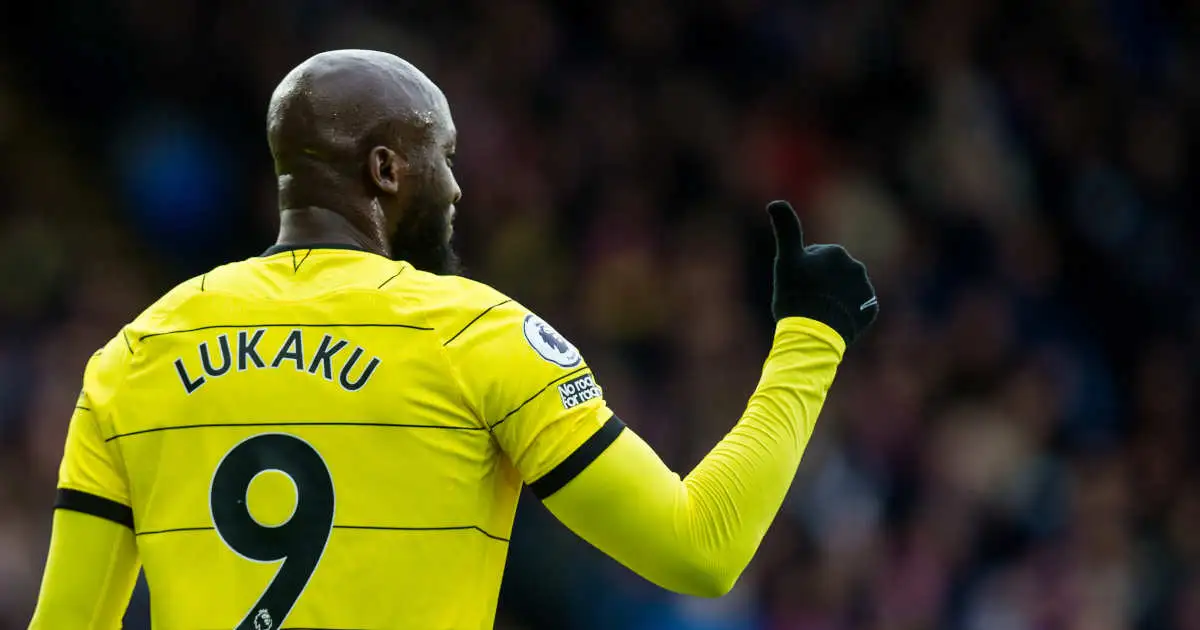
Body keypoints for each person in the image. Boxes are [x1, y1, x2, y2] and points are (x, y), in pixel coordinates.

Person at [28, 49, 879, 630]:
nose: (460, 186)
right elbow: (701, 549)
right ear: (387, 170)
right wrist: (811, 338)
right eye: (444, 156)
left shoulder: (134, 356)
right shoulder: (476, 336)